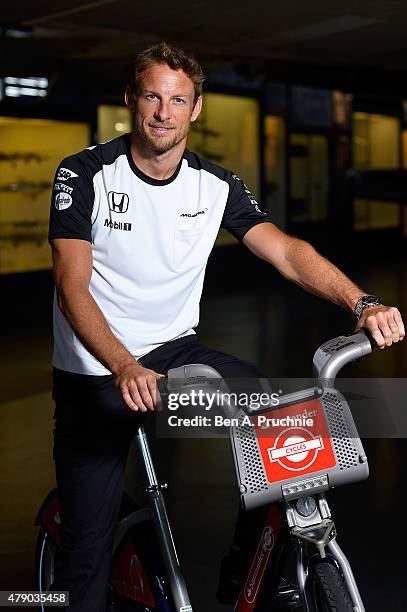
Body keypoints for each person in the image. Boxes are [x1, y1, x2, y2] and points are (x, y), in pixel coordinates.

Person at [48, 42, 404, 611]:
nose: (163, 112)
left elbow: (286, 252)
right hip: (96, 372)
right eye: (152, 97)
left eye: (177, 100)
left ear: (196, 109)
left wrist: (361, 302)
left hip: (171, 354)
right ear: (131, 101)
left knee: (276, 419)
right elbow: (71, 285)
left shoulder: (215, 186)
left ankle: (252, 578)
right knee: (84, 557)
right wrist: (121, 364)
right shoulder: (86, 172)